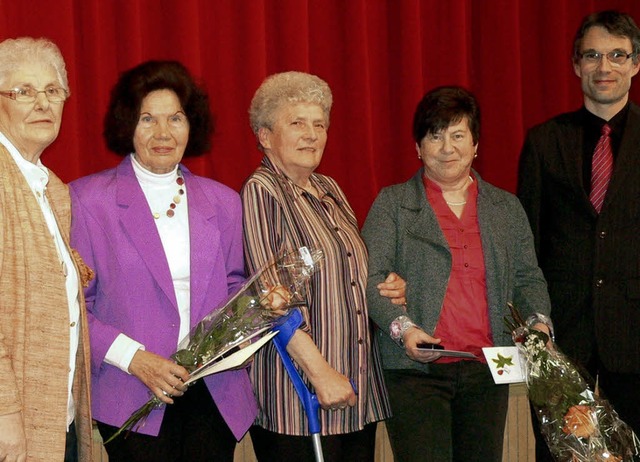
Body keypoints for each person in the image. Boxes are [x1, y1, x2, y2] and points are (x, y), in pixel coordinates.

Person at [70, 60, 257, 462]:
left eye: (175, 118)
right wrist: (135, 358)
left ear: (193, 125)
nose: (163, 133)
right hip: (132, 392)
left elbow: (232, 288)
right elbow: (73, 307)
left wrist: (262, 305)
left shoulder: (223, 201)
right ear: (127, 126)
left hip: (213, 395)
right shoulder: (86, 201)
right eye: (147, 119)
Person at [362, 86, 552, 462]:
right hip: (416, 371)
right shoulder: (393, 204)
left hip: (486, 370)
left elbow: (528, 278)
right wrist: (404, 329)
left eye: (457, 135)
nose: (446, 147)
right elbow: (370, 278)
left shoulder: (506, 208)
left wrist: (539, 323)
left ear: (476, 144)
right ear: (418, 147)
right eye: (435, 135)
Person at [241, 71, 406, 462]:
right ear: (265, 136)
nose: (312, 134)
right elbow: (273, 298)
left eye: (319, 124)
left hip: (356, 391)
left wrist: (387, 285)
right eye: (297, 123)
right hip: (300, 399)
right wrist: (320, 375)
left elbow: (351, 273)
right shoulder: (262, 191)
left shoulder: (330, 189)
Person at [517, 9, 640, 460]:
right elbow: (525, 244)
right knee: (561, 452)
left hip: (634, 333)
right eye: (592, 55)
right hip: (561, 335)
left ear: (635, 64)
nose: (603, 67)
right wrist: (533, 323)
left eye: (616, 55)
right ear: (575, 65)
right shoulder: (544, 141)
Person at [0, 37, 93, 462]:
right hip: (11, 424)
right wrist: (4, 415)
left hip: (57, 416)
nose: (43, 103)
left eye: (52, 91)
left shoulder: (53, 188)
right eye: (23, 92)